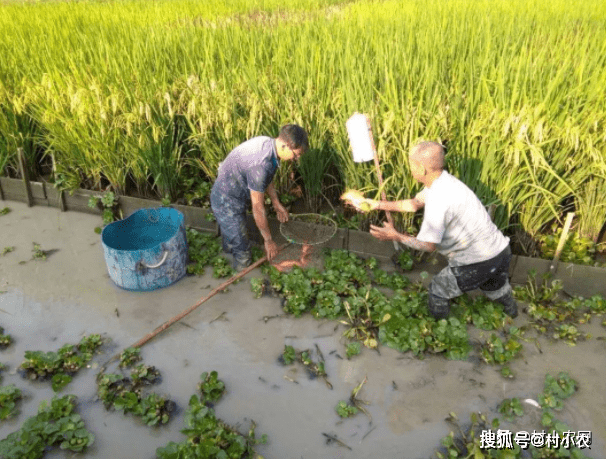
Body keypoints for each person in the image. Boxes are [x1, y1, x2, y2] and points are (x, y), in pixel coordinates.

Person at [343, 140, 518, 319]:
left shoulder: (438, 199)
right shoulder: (444, 182)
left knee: (438, 290)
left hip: (477, 261)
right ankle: (513, 314)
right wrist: (375, 204)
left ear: (421, 168)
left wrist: (395, 236)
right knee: (495, 288)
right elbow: (413, 205)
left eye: (411, 164)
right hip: (501, 251)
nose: (410, 169)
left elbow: (428, 246)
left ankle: (439, 334)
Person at [210, 124, 309, 271]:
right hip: (225, 198)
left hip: (236, 191)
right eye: (296, 155)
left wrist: (276, 203)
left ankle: (231, 247)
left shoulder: (269, 145)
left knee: (234, 232)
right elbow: (258, 208)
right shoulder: (260, 165)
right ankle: (241, 268)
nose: (297, 158)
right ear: (285, 145)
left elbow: (266, 179)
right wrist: (268, 241)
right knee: (241, 248)